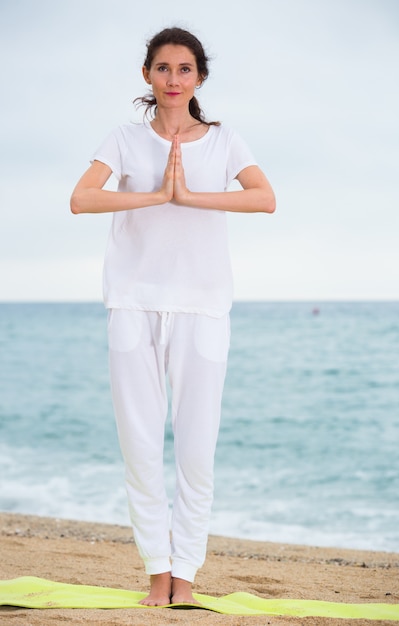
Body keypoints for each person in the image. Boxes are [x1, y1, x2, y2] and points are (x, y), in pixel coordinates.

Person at [70, 26, 275, 606]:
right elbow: (82, 198)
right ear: (147, 76)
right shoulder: (124, 139)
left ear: (199, 78)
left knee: (196, 451)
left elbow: (264, 197)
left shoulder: (225, 140)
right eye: (163, 68)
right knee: (139, 447)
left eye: (185, 69)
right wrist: (157, 195)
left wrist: (189, 198)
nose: (174, 79)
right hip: (133, 303)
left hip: (203, 308)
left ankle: (186, 576)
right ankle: (157, 575)